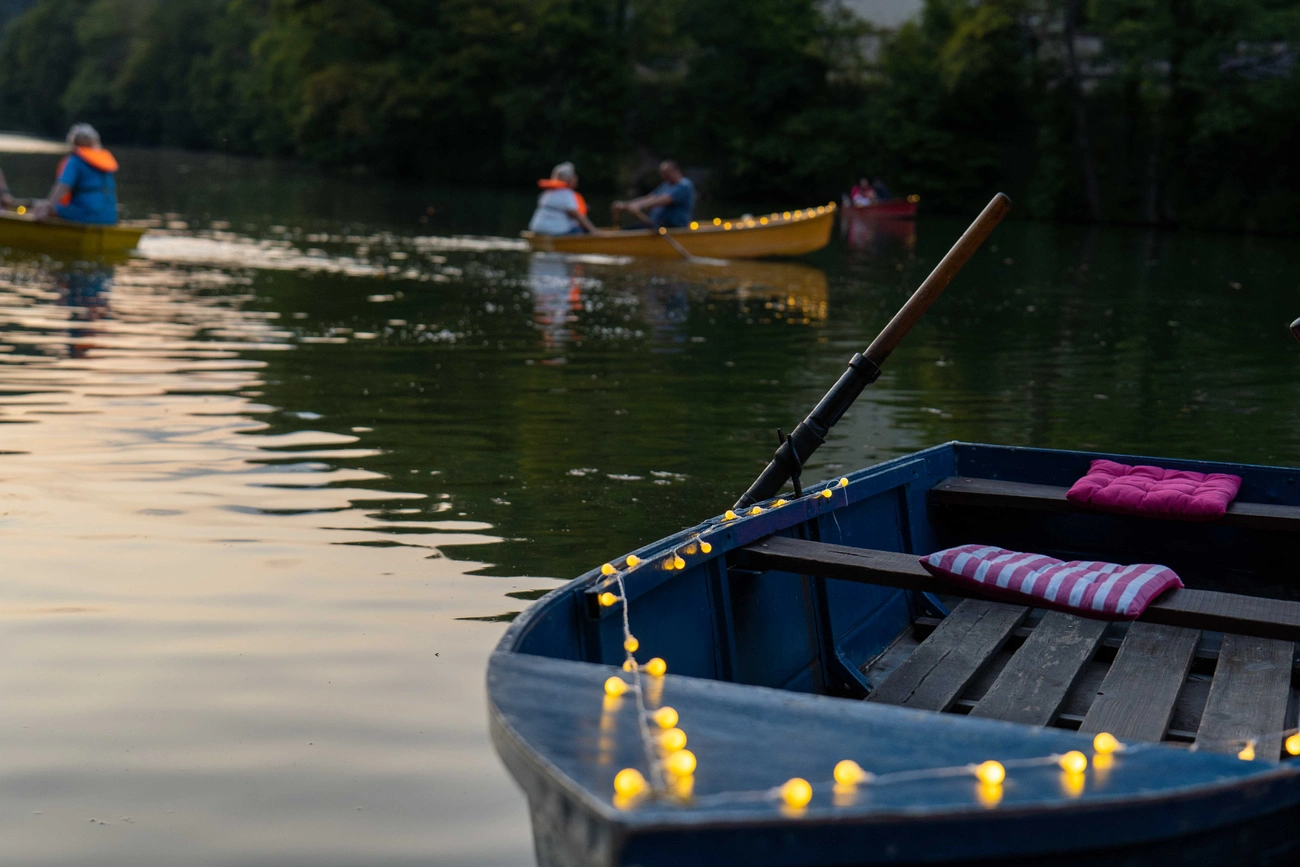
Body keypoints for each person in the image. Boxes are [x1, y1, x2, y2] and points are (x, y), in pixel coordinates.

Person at [33, 124, 119, 225]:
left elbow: (63, 186)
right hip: (111, 217)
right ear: (96, 141)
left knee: (40, 208)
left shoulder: (75, 161)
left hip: (87, 216)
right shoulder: (104, 161)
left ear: (73, 142)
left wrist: (48, 206)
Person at [611, 160, 695, 229]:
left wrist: (641, 206)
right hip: (657, 225)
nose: (663, 176)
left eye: (665, 173)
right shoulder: (665, 185)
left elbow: (664, 200)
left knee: (629, 230)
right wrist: (626, 204)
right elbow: (650, 198)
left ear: (676, 171)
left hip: (673, 226)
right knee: (627, 229)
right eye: (662, 173)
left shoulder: (684, 186)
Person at [528, 162, 600, 236]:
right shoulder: (566, 193)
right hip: (553, 231)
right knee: (582, 231)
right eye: (574, 176)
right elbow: (577, 216)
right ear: (568, 179)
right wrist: (594, 231)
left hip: (536, 228)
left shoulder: (547, 193)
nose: (576, 178)